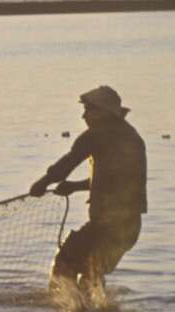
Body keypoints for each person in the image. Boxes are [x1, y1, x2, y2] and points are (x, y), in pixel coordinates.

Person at [30, 85, 148, 296]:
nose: (84, 115)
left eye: (89, 109)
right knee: (92, 273)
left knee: (65, 264)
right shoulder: (131, 137)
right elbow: (116, 180)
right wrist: (75, 186)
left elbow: (66, 165)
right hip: (129, 226)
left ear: (104, 112)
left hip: (107, 224)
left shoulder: (95, 136)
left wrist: (42, 182)